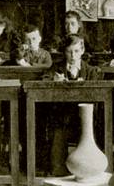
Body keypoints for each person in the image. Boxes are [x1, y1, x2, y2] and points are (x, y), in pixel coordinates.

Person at [43, 36, 104, 174]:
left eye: (76, 51)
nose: (73, 56)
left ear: (82, 51)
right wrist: (53, 80)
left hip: (85, 119)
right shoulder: (56, 68)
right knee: (56, 164)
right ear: (64, 52)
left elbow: (97, 93)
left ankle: (87, 170)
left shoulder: (91, 71)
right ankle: (59, 171)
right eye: (69, 52)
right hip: (62, 117)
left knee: (89, 166)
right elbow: (44, 80)